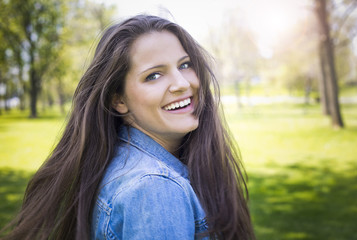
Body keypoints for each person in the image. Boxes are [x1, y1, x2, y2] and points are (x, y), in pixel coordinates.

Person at [1, 15, 256, 240]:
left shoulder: (121, 161)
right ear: (118, 100)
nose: (181, 83)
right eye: (154, 75)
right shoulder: (155, 189)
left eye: (185, 65)